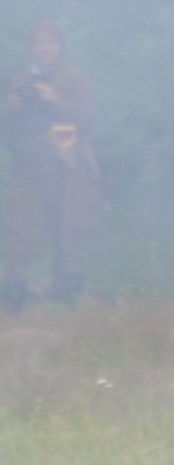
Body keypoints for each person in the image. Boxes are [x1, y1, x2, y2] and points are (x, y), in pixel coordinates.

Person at [2, 20, 99, 310]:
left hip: (68, 166)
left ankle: (68, 293)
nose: (43, 49)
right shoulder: (19, 81)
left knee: (70, 228)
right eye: (37, 44)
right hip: (30, 166)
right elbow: (5, 128)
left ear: (59, 46)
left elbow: (87, 120)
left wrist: (57, 101)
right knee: (22, 226)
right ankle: (14, 291)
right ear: (30, 49)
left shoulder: (75, 79)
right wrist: (12, 106)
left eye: (49, 43)